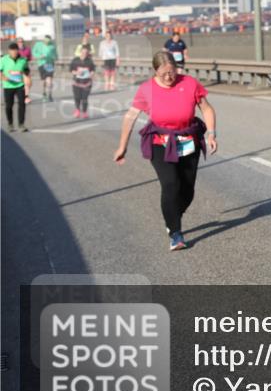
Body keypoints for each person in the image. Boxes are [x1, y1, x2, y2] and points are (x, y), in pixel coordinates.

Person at [113, 51, 218, 251]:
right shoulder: (146, 89)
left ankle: (172, 214)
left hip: (188, 139)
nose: (170, 77)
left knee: (187, 190)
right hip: (160, 142)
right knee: (171, 184)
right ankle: (175, 232)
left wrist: (211, 133)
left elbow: (206, 109)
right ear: (155, 72)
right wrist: (122, 146)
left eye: (173, 72)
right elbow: (130, 117)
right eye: (164, 74)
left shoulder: (189, 83)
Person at [2, 42, 31, 132]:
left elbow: (26, 70)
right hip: (8, 86)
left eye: (15, 51)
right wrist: (4, 78)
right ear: (9, 51)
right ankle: (10, 124)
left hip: (20, 85)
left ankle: (21, 124)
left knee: (22, 104)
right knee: (9, 106)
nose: (14, 53)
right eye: (12, 51)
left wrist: (27, 78)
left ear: (18, 51)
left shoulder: (23, 60)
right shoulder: (3, 60)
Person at [69, 44, 96, 118]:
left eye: (86, 53)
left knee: (85, 98)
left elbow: (93, 70)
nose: (84, 54)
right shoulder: (75, 60)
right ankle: (77, 110)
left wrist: (91, 74)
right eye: (83, 52)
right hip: (77, 83)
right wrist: (77, 73)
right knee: (77, 97)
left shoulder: (89, 61)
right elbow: (71, 70)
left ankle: (84, 112)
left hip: (86, 83)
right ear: (80, 52)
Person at [31, 35, 57, 102]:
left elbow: (56, 56)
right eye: (45, 41)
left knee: (49, 79)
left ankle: (50, 95)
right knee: (43, 81)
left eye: (48, 41)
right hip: (41, 64)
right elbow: (34, 52)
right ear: (43, 40)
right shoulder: (38, 44)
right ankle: (44, 93)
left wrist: (52, 57)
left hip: (49, 64)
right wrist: (39, 56)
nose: (46, 42)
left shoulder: (52, 46)